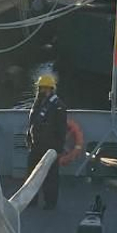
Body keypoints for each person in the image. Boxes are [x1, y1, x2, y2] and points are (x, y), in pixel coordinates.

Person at [26, 73, 68, 211]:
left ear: (51, 89)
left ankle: (50, 202)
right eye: (40, 88)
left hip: (50, 147)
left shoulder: (58, 106)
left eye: (44, 88)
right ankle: (31, 200)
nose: (41, 91)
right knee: (32, 174)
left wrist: (58, 147)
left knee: (50, 176)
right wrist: (29, 137)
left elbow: (61, 128)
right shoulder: (37, 104)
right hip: (35, 145)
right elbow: (32, 123)